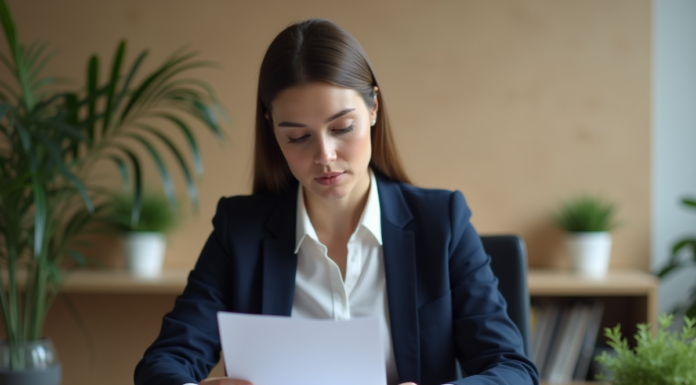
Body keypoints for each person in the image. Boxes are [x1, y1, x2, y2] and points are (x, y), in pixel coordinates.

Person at [134, 18, 539, 385]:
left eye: (342, 127)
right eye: (297, 136)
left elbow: (513, 369)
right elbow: (165, 363)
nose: (324, 155)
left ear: (374, 108)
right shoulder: (238, 230)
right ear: (271, 130)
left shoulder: (442, 223)